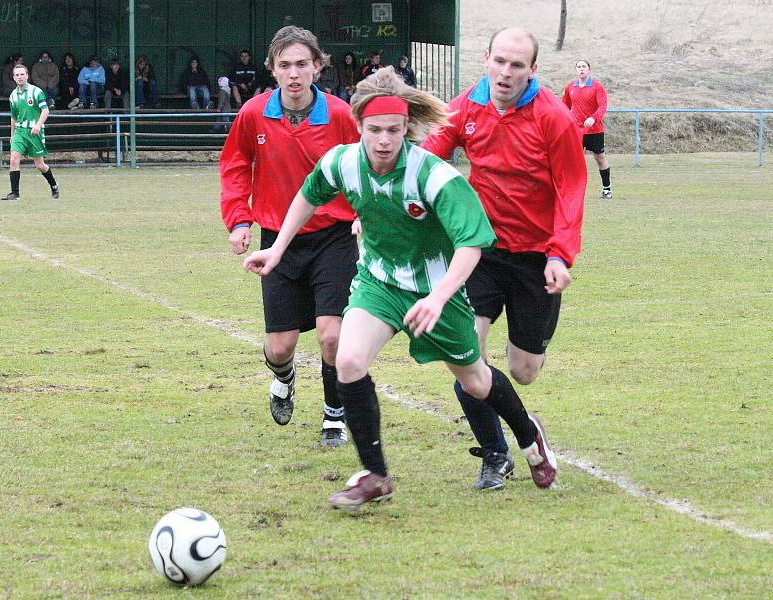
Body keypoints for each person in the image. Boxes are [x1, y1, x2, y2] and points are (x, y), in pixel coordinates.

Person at [244, 67, 558, 510]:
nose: (384, 140)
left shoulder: (434, 176)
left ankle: (529, 437)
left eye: (394, 130)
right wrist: (276, 250)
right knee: (349, 360)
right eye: (374, 130)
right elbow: (309, 195)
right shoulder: (342, 161)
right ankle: (375, 476)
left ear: (407, 128)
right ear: (360, 128)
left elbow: (472, 245)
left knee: (475, 380)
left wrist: (439, 296)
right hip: (378, 282)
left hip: (435, 291)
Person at [422, 27, 586, 492]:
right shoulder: (463, 107)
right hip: (482, 251)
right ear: (487, 59)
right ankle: (497, 452)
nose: (506, 73)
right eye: (500, 62)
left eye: (517, 65)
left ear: (533, 70)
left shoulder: (553, 116)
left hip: (537, 257)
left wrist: (560, 253)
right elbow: (430, 159)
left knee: (523, 371)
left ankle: (524, 418)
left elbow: (571, 187)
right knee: (465, 354)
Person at [219, 26, 360, 448]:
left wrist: (362, 214)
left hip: (334, 237)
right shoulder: (254, 114)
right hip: (277, 239)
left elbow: (363, 167)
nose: (294, 73)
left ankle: (334, 414)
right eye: (285, 66)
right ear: (272, 71)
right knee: (279, 347)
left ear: (318, 67)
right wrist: (239, 219)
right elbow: (235, 166)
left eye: (302, 64)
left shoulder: (339, 115)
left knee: (332, 335)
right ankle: (284, 378)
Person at [0, 63, 59, 202]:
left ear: (27, 76)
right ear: (13, 78)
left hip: (34, 132)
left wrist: (38, 125)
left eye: (22, 74)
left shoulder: (36, 91)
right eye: (17, 75)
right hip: (20, 131)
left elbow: (45, 110)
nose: (20, 77)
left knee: (40, 165)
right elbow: (14, 116)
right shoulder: (13, 95)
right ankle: (15, 193)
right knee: (14, 159)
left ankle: (54, 185)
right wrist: (12, 134)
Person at [562, 59, 612, 198]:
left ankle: (607, 189)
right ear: (576, 70)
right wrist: (566, 120)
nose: (581, 69)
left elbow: (602, 107)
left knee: (599, 157)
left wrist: (593, 118)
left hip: (595, 129)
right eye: (579, 67)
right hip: (576, 129)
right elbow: (564, 106)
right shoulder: (570, 87)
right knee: (575, 159)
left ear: (589, 70)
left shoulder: (597, 86)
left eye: (584, 66)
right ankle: (573, 190)